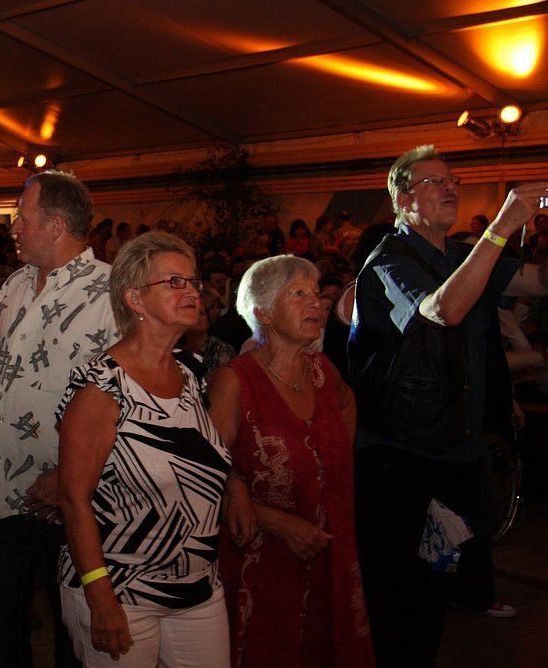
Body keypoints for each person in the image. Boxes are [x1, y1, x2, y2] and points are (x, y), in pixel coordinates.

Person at [349, 144, 548, 665]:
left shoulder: (460, 255)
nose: (451, 188)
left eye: (453, 180)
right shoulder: (388, 261)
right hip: (400, 454)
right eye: (435, 181)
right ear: (402, 198)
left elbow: (535, 283)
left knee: (439, 585)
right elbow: (444, 311)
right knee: (402, 594)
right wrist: (499, 229)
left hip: (456, 446)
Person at [56, 232, 232, 667]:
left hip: (197, 586)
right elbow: (73, 499)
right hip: (121, 589)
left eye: (193, 281)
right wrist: (100, 595)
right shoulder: (103, 386)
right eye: (174, 282)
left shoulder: (189, 374)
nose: (192, 292)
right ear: (134, 298)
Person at [0, 170, 119, 668]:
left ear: (56, 226)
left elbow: (127, 399)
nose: (14, 227)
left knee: (72, 639)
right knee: (0, 639)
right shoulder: (14, 285)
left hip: (70, 503)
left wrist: (70, 476)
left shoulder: (111, 293)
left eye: (23, 217)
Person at [207, 255, 374, 666]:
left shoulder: (321, 370)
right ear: (262, 311)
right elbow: (208, 468)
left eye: (316, 294)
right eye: (298, 294)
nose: (315, 303)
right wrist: (272, 517)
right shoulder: (235, 379)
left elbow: (348, 403)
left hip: (328, 543)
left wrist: (334, 462)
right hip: (263, 557)